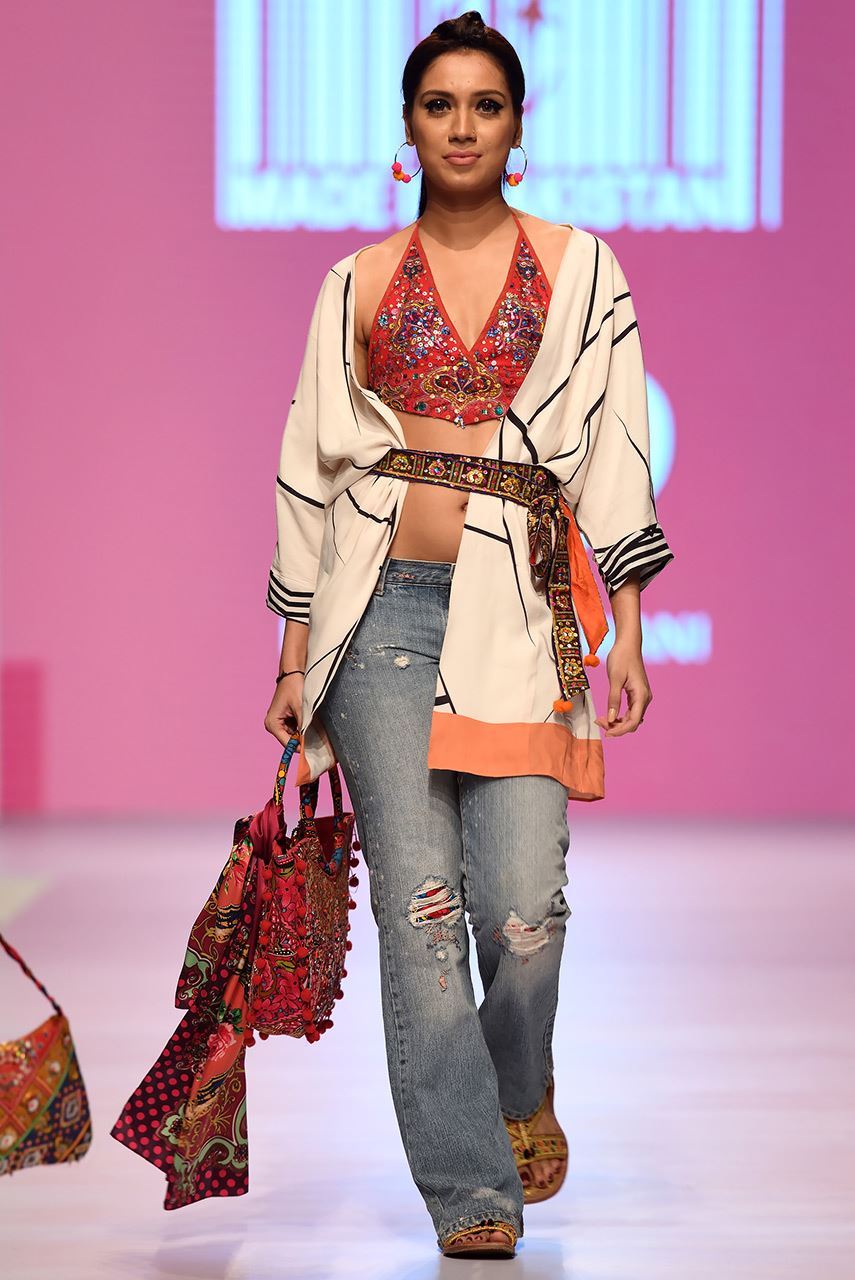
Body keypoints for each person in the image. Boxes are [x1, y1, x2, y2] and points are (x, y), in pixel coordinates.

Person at [263, 9, 674, 1261]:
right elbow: (311, 466)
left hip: (524, 613)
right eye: (439, 104)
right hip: (379, 607)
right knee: (421, 907)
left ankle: (517, 1085)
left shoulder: (583, 268)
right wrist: (293, 654)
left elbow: (615, 447)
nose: (461, 126)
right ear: (408, 125)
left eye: (485, 105)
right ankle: (469, 1187)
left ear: (516, 125)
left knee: (522, 908)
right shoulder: (356, 281)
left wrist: (630, 625)